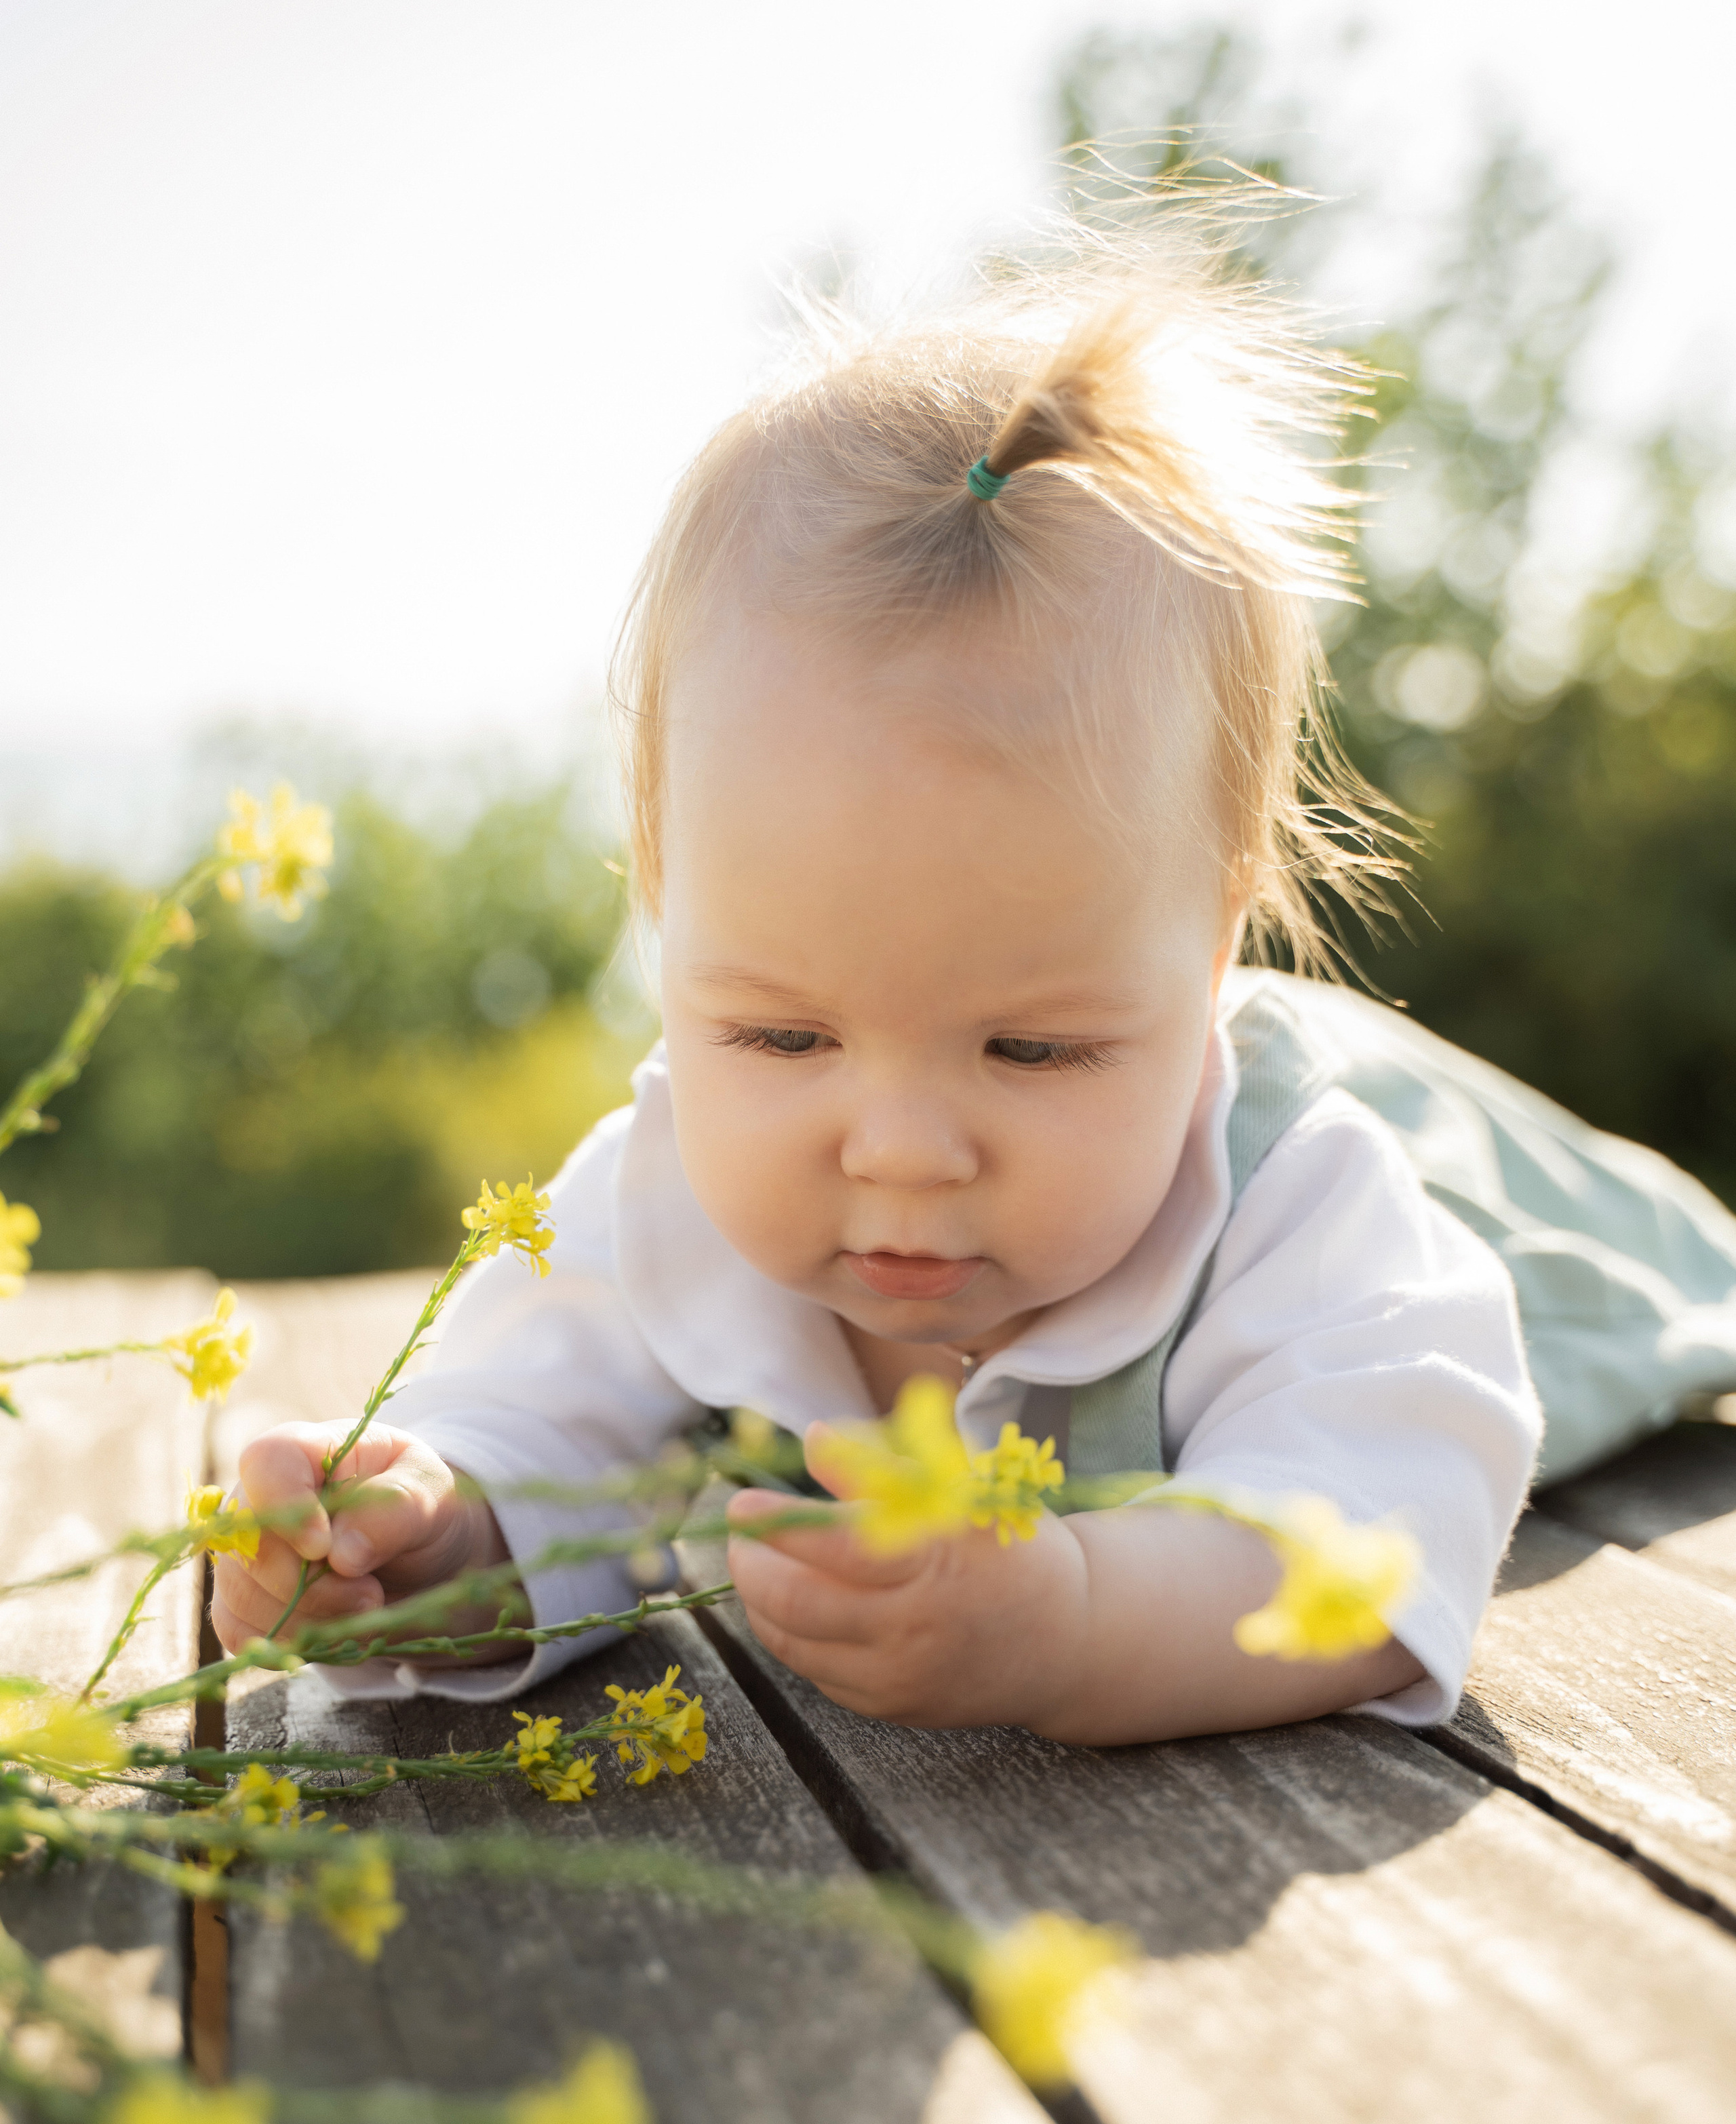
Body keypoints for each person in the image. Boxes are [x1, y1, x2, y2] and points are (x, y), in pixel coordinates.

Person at [211, 210, 1736, 1744]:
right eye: (783, 1033)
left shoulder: (1295, 1198)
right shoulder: (668, 1185)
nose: (898, 1147)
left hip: (1524, 1215)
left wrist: (1073, 1622)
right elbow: (526, 1426)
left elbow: (1373, 1517)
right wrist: (418, 1544)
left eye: (1030, 1051)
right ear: (662, 921)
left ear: (1211, 958)